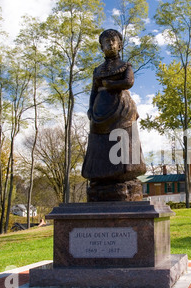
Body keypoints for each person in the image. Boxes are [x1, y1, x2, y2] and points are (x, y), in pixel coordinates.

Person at [82, 29, 146, 201]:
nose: (110, 44)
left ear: (120, 44)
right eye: (106, 41)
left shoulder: (125, 65)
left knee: (122, 137)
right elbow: (93, 91)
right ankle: (100, 173)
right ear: (101, 47)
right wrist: (90, 108)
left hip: (120, 108)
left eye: (113, 40)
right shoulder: (97, 70)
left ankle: (125, 171)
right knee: (98, 139)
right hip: (100, 110)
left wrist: (110, 84)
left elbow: (129, 82)